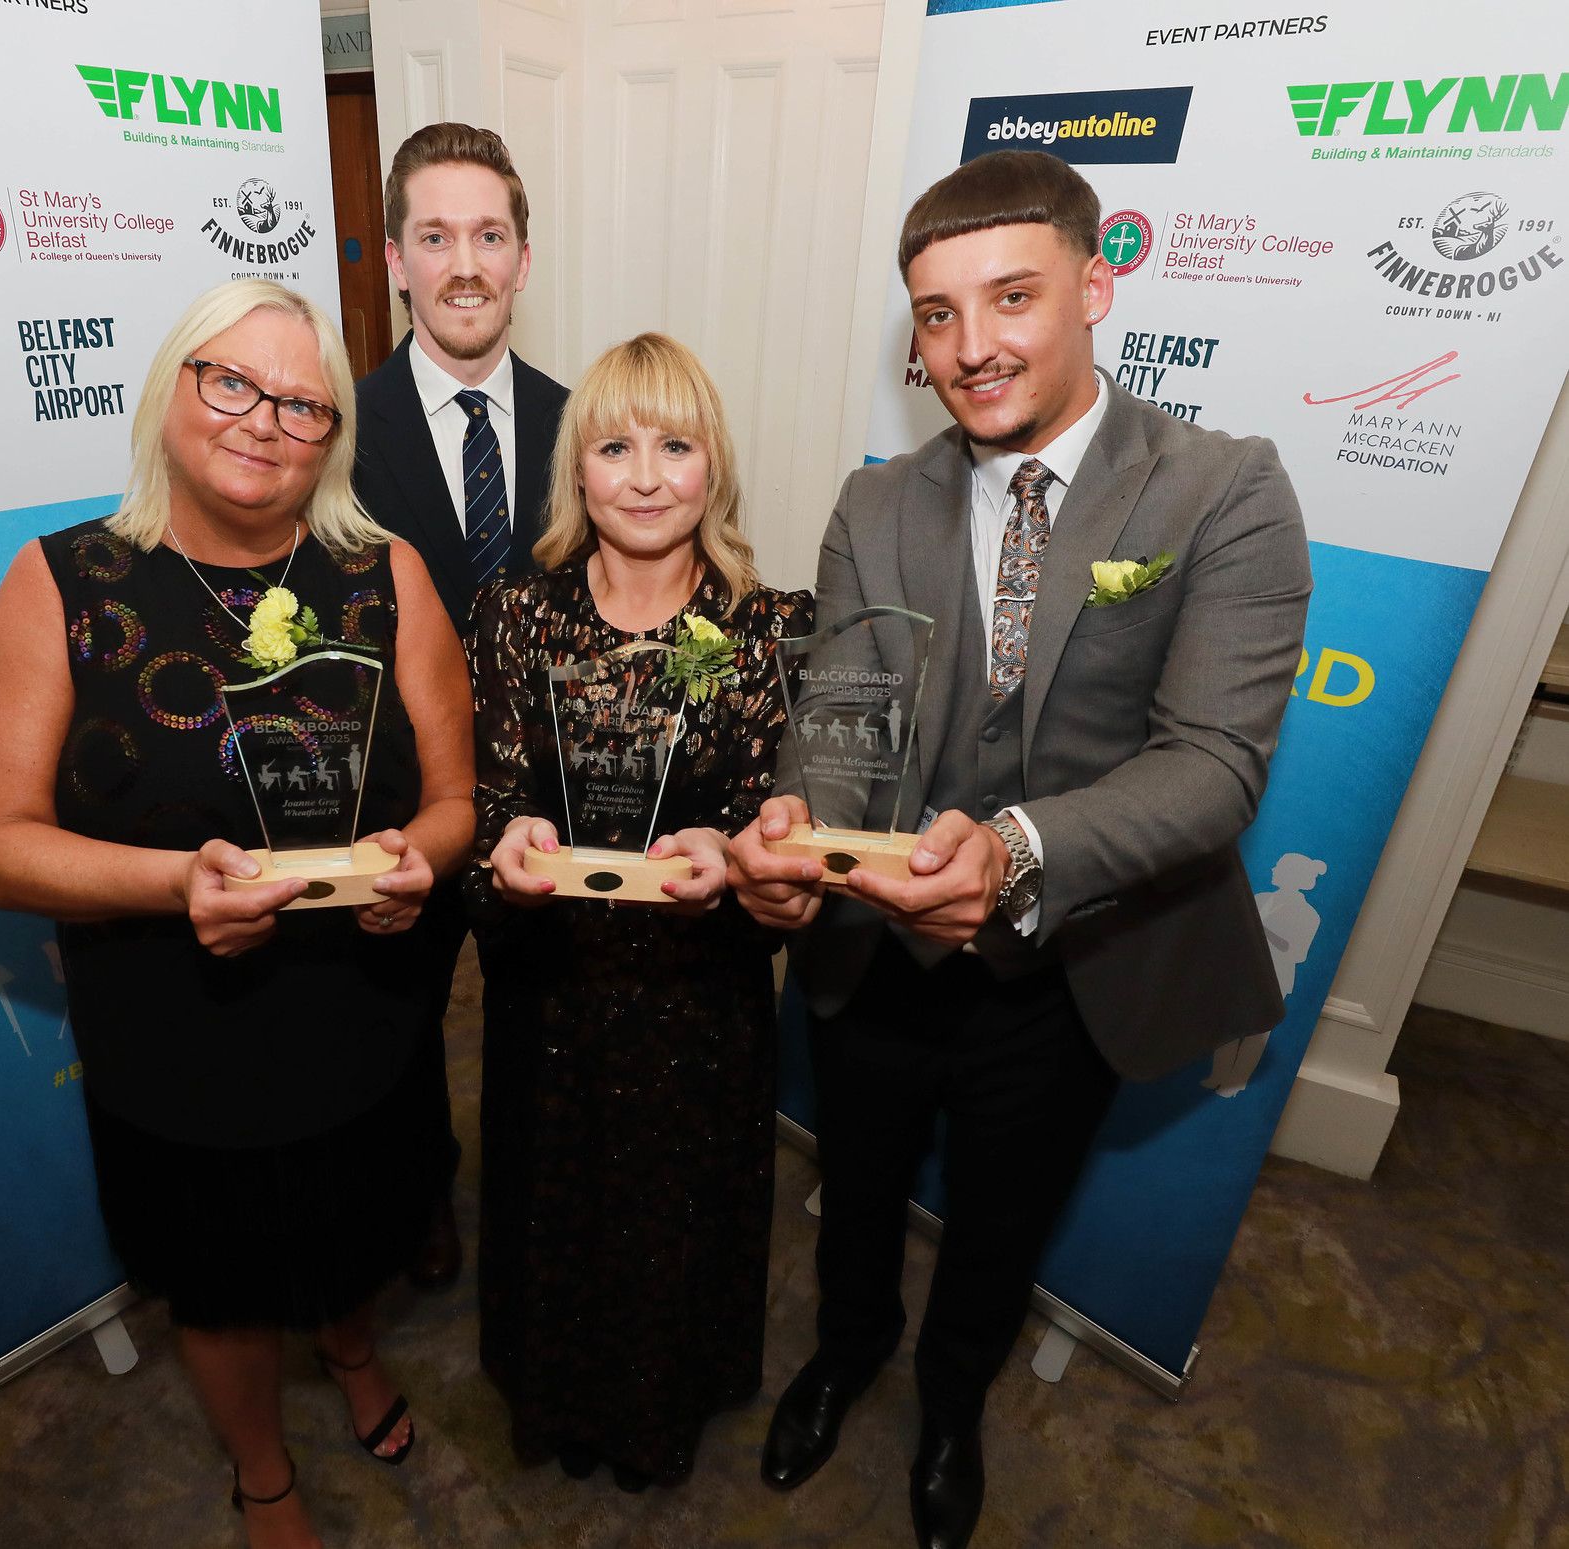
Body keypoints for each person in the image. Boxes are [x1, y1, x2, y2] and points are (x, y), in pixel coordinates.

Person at [726, 150, 1311, 1549]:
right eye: (936, 314)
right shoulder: (880, 505)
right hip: (877, 951)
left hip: (1068, 964)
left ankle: (949, 1402)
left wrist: (1014, 849)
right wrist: (797, 819)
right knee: (854, 1184)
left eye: (1010, 298)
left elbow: (1215, 764)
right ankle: (849, 1348)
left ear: (1097, 286)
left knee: (1001, 1216)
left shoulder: (1222, 492)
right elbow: (842, 718)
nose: (971, 346)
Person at [0, 280, 475, 1549]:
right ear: (172, 391)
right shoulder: (66, 582)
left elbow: (459, 797)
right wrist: (170, 885)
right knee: (224, 1278)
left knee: (358, 1220)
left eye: (303, 402)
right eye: (230, 382)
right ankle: (261, 1473)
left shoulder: (383, 572)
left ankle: (352, 1356)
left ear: (333, 435)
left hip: (362, 1006)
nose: (265, 422)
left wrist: (417, 860)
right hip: (176, 1031)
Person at [470, 332, 813, 1490]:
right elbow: (491, 793)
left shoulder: (767, 629)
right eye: (615, 446)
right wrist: (503, 839)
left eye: (675, 444)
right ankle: (558, 1406)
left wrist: (734, 850)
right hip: (550, 989)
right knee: (551, 1208)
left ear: (712, 466)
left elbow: (781, 820)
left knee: (672, 1221)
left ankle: (654, 1420)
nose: (647, 474)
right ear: (578, 471)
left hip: (695, 1002)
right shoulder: (515, 610)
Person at [352, 122, 571, 1290]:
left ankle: (541, 1192)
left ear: (524, 258)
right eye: (435, 237)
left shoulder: (584, 423)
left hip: (552, 792)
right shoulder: (336, 435)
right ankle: (423, 1191)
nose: (465, 263)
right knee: (401, 1017)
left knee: (551, 1008)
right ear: (396, 260)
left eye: (488, 234)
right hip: (405, 789)